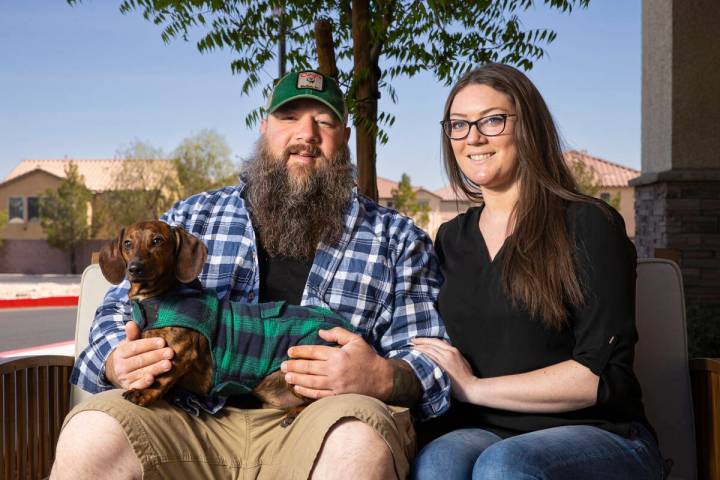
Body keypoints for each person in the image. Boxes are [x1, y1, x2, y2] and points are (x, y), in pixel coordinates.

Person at [52, 70, 450, 480]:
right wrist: (117, 361)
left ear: (345, 136)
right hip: (188, 420)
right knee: (91, 433)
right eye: (289, 117)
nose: (306, 134)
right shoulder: (191, 218)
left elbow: (434, 363)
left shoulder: (397, 239)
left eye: (325, 121)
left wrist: (382, 376)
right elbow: (111, 317)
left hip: (320, 419)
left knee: (357, 444)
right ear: (264, 129)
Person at [410, 63, 666, 479]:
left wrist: (474, 388)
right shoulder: (450, 239)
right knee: (436, 461)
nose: (473, 137)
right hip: (486, 429)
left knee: (505, 466)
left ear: (528, 126)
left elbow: (596, 376)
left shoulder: (588, 223)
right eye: (458, 124)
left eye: (492, 120)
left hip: (601, 432)